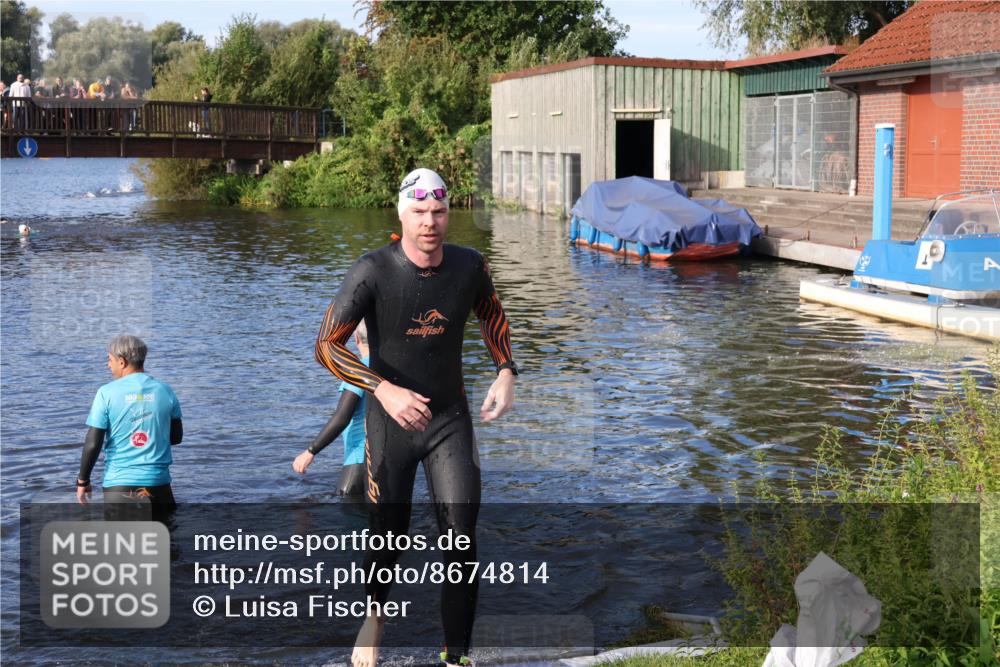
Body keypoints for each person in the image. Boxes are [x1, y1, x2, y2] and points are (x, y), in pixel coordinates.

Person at [315, 167, 517, 667]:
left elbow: (492, 315)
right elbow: (325, 346)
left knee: (461, 536)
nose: (431, 222)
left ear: (450, 213)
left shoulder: (470, 266)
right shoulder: (372, 271)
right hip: (391, 423)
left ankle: (456, 657)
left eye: (440, 211)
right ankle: (374, 617)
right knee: (390, 535)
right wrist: (382, 389)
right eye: (420, 211)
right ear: (402, 213)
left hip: (449, 417)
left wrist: (507, 371)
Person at [77, 335, 183, 519]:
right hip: (158, 484)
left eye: (109, 360)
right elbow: (176, 438)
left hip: (119, 485)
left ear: (122, 361)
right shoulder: (165, 390)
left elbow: (93, 442)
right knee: (166, 545)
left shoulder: (106, 393)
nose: (108, 365)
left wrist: (83, 480)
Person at [293, 322, 369, 496]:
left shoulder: (357, 371)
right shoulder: (388, 370)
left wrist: (310, 451)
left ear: (356, 339)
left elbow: (342, 417)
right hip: (387, 458)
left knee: (348, 510)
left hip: (359, 460)